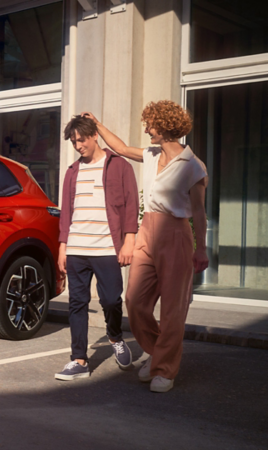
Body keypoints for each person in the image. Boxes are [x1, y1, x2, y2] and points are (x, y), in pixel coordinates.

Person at [83, 101, 208, 393]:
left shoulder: (193, 166)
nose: (147, 128)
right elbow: (123, 148)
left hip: (175, 233)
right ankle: (158, 353)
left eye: (150, 124)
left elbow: (200, 213)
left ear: (164, 127)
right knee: (135, 301)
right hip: (147, 230)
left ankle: (165, 368)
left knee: (173, 309)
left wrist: (201, 248)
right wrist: (98, 125)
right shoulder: (152, 155)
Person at [54, 115, 138, 381]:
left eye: (81, 140)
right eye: (74, 142)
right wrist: (62, 247)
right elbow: (66, 212)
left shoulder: (119, 166)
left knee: (111, 299)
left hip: (107, 248)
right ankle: (79, 359)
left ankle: (115, 336)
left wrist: (129, 240)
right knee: (77, 303)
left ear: (94, 136)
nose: (78, 146)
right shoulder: (72, 171)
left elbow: (131, 204)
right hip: (77, 247)